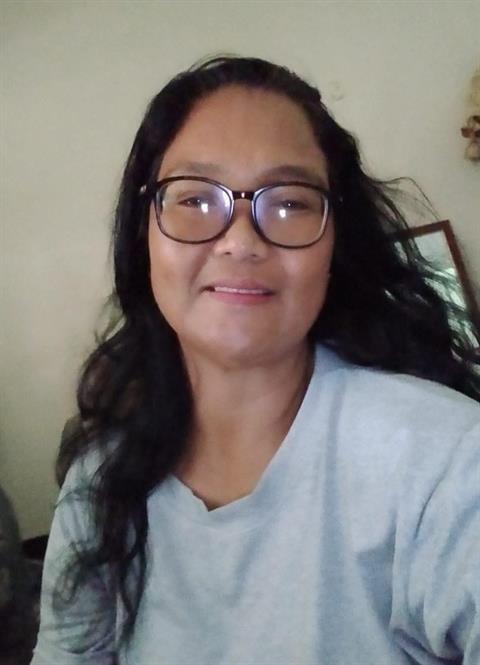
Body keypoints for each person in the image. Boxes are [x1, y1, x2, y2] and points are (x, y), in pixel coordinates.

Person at [31, 56, 480, 665]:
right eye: (194, 197)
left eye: (290, 203)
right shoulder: (98, 484)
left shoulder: (447, 463)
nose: (240, 241)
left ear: (334, 242)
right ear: (144, 232)